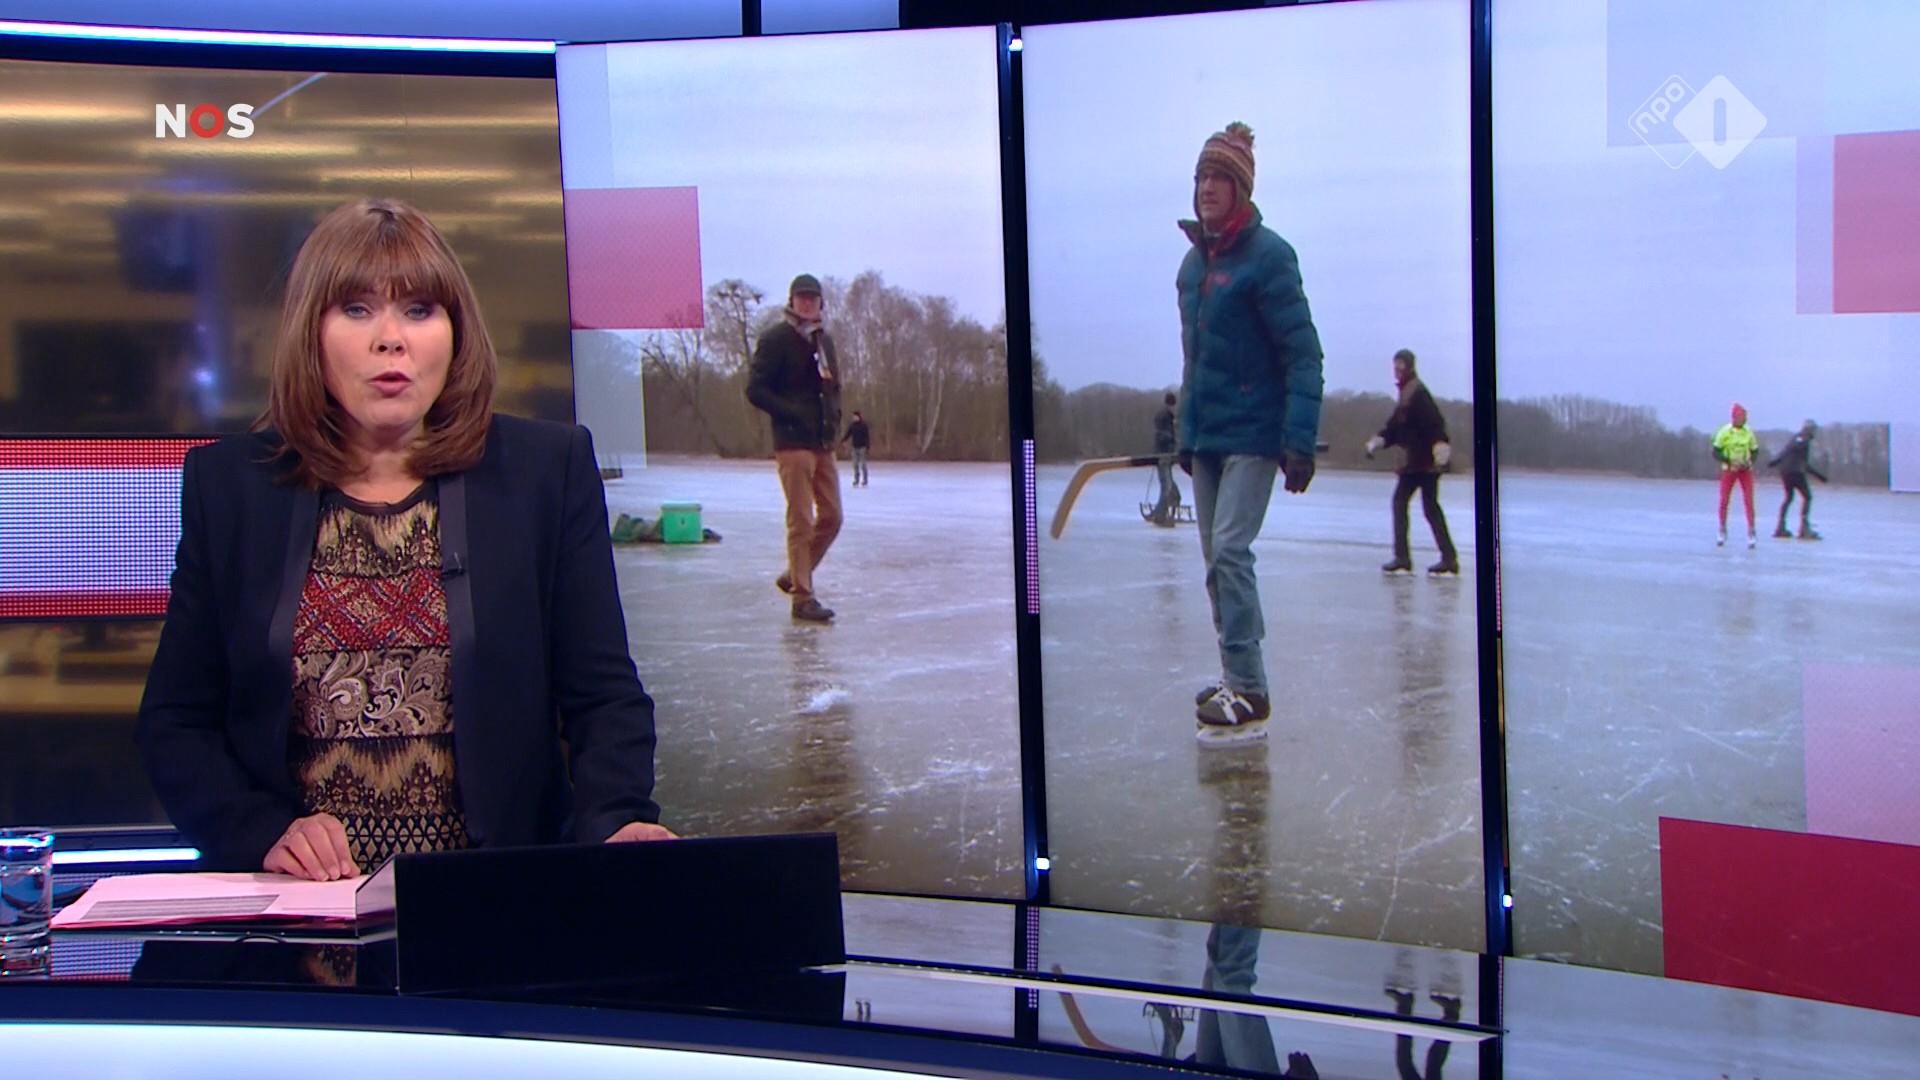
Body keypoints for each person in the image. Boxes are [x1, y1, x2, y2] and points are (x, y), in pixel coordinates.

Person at [135, 199, 671, 883]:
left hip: (493, 901)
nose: (391, 339)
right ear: (310, 331)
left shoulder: (546, 472)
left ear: (455, 331)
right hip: (307, 905)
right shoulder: (232, 486)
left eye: (419, 310)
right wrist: (261, 832)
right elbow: (176, 723)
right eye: (357, 309)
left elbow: (603, 696)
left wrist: (617, 819)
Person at [1175, 122, 1324, 742]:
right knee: (1215, 561)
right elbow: (1194, 361)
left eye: (1220, 178)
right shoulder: (1192, 266)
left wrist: (1299, 439)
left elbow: (1303, 354)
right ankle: (1234, 674)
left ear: (1240, 189)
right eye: (1201, 177)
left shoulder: (1270, 257)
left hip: (1255, 434)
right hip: (1208, 438)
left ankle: (1251, 688)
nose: (1207, 188)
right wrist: (1185, 433)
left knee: (1231, 551)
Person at [747, 273, 843, 623]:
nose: (806, 303)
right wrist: (791, 413)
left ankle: (794, 573)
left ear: (820, 304)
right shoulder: (776, 339)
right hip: (792, 442)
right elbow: (755, 389)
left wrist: (834, 418)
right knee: (801, 519)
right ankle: (803, 597)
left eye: (812, 299)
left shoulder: (823, 341)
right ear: (791, 302)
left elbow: (833, 386)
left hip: (821, 441)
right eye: (801, 298)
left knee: (832, 516)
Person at [1365, 349, 1458, 575]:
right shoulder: (1407, 393)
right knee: (1425, 507)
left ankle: (1406, 558)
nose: (1396, 369)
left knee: (1408, 504)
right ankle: (1444, 558)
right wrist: (1379, 441)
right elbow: (1396, 427)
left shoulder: (1417, 393)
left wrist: (1440, 447)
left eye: (1401, 365)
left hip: (1423, 463)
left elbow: (1435, 423)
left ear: (1409, 366)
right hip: (1418, 462)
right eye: (1395, 365)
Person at [1767, 419, 1828, 540]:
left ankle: (1780, 527)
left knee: (1789, 497)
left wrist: (1773, 462)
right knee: (1807, 497)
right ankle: (1804, 529)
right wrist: (1819, 476)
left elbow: (1784, 453)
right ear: (1810, 430)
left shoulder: (1795, 438)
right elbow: (1804, 464)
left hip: (1785, 471)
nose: (1814, 433)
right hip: (1796, 472)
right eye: (1813, 430)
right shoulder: (1805, 442)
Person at [1712, 402, 1761, 548]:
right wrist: (1729, 461)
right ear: (1734, 417)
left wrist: (1749, 462)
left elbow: (1755, 450)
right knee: (1724, 499)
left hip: (1745, 470)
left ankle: (1751, 531)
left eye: (1744, 417)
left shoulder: (1748, 432)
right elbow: (1715, 451)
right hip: (1729, 470)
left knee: (1749, 500)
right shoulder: (1724, 432)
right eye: (1741, 417)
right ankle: (1722, 529)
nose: (1743, 419)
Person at [1151, 392, 1181, 526]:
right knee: (1167, 487)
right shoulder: (1164, 417)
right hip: (1162, 456)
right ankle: (1160, 515)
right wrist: (1172, 440)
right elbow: (1160, 435)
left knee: (1169, 487)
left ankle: (1161, 512)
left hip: (1166, 457)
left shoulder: (1168, 417)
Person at [841, 410, 871, 488]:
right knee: (855, 465)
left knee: (863, 465)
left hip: (862, 447)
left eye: (856, 416)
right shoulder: (852, 426)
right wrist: (843, 440)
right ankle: (856, 480)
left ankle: (865, 481)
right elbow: (848, 434)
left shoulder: (864, 425)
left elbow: (867, 436)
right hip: (854, 447)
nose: (854, 418)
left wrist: (867, 446)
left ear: (859, 417)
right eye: (854, 417)